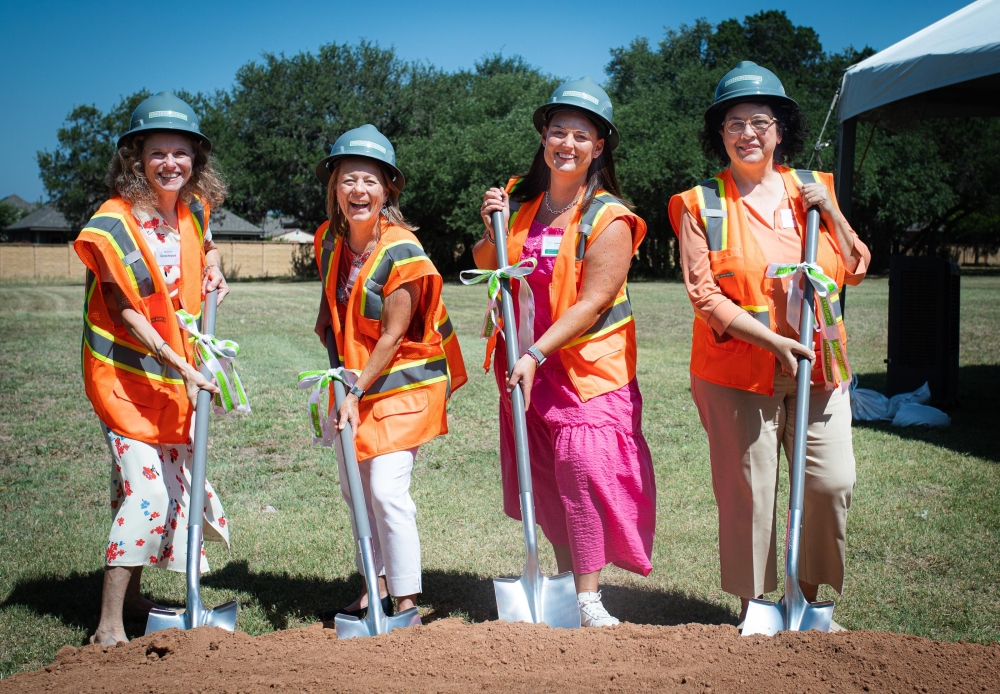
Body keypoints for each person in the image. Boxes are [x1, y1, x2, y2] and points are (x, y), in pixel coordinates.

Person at [668, 61, 870, 630]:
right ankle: (755, 604)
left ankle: (808, 597)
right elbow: (704, 295)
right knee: (750, 494)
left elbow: (855, 267)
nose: (748, 133)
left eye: (761, 120)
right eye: (735, 122)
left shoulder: (815, 189)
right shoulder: (699, 203)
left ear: (781, 128)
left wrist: (829, 211)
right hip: (736, 372)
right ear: (720, 134)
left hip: (820, 367)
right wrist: (776, 342)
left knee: (830, 481)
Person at [475, 77, 655, 627]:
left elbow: (594, 300)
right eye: (558, 132)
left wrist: (536, 353)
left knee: (581, 468)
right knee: (549, 480)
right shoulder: (522, 204)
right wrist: (491, 227)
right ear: (545, 137)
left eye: (581, 135)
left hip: (587, 374)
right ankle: (561, 588)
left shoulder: (610, 217)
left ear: (599, 145)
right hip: (530, 372)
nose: (568, 144)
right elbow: (489, 261)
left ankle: (589, 597)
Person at [73, 92, 231, 645]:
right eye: (159, 152)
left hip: (171, 382)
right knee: (149, 494)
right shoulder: (114, 222)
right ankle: (109, 626)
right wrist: (181, 366)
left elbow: (204, 247)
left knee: (149, 486)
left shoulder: (191, 210)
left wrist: (215, 268)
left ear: (196, 161)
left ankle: (135, 597)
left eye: (181, 153)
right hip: (123, 379)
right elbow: (122, 309)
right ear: (135, 158)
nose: (171, 164)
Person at [313, 124, 467, 619]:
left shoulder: (403, 249)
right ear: (334, 189)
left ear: (388, 190)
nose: (358, 191)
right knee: (353, 488)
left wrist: (354, 391)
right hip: (356, 384)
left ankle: (406, 599)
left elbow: (393, 335)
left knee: (385, 489)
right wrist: (340, 388)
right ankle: (372, 585)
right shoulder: (329, 242)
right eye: (348, 180)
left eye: (370, 181)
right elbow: (331, 321)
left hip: (405, 384)